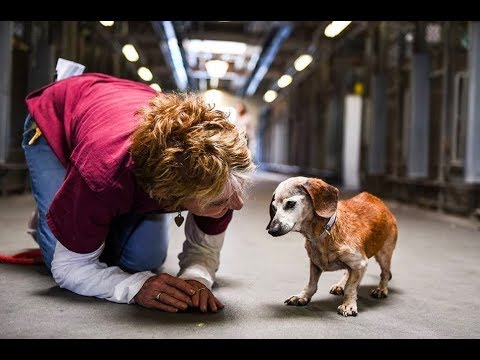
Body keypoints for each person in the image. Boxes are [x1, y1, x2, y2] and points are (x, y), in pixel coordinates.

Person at [22, 72, 255, 313]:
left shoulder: (223, 178)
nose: (238, 204)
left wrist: (197, 277)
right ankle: (54, 214)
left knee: (143, 261)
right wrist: (133, 287)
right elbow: (69, 268)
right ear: (172, 195)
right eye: (220, 201)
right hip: (58, 114)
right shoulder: (100, 176)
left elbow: (204, 249)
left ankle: (87, 218)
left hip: (122, 107)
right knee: (56, 259)